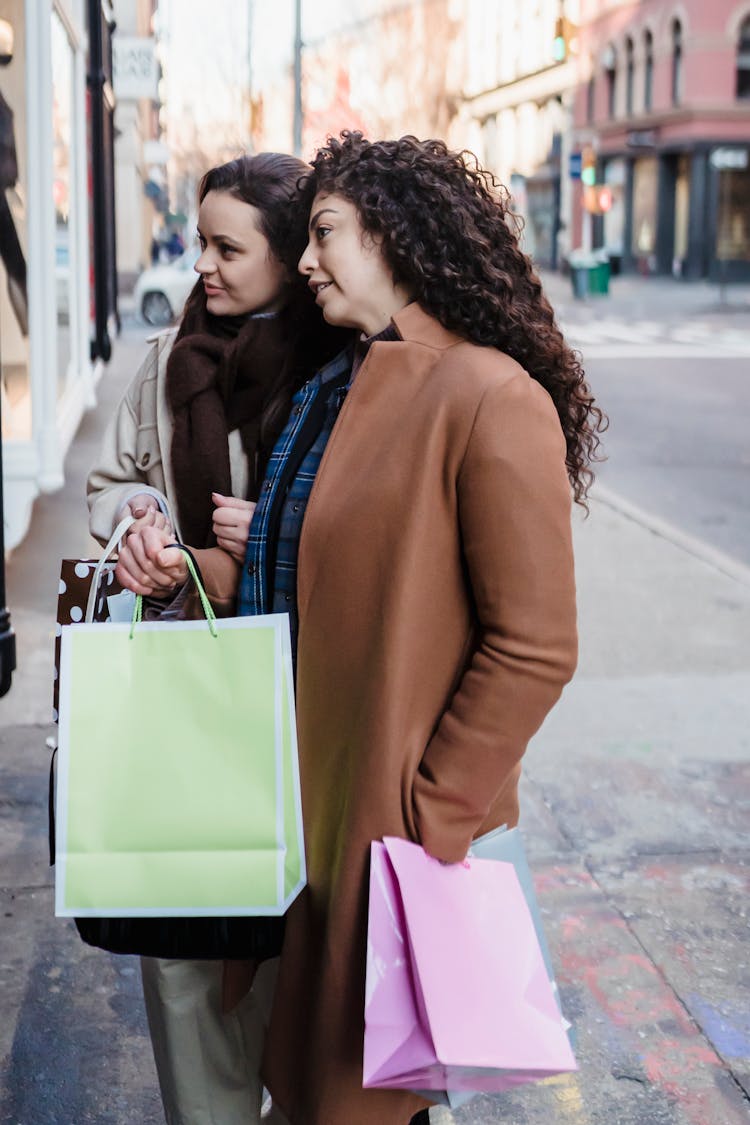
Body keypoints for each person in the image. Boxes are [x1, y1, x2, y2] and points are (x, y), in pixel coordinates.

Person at [121, 131, 604, 1125]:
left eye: (327, 233)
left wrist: (433, 812)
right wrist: (183, 573)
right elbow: (282, 572)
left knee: (364, 1098)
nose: (305, 260)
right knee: (309, 1087)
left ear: (398, 239)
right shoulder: (333, 388)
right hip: (300, 804)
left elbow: (536, 644)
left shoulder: (490, 396)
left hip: (381, 828)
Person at [86, 151, 344, 1125]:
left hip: (303, 699)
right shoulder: (164, 363)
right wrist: (144, 528)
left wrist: (282, 530)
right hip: (181, 691)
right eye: (199, 242)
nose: (204, 264)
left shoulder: (338, 371)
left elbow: (378, 529)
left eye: (228, 247)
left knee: (302, 941)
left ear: (287, 255)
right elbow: (111, 485)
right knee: (187, 941)